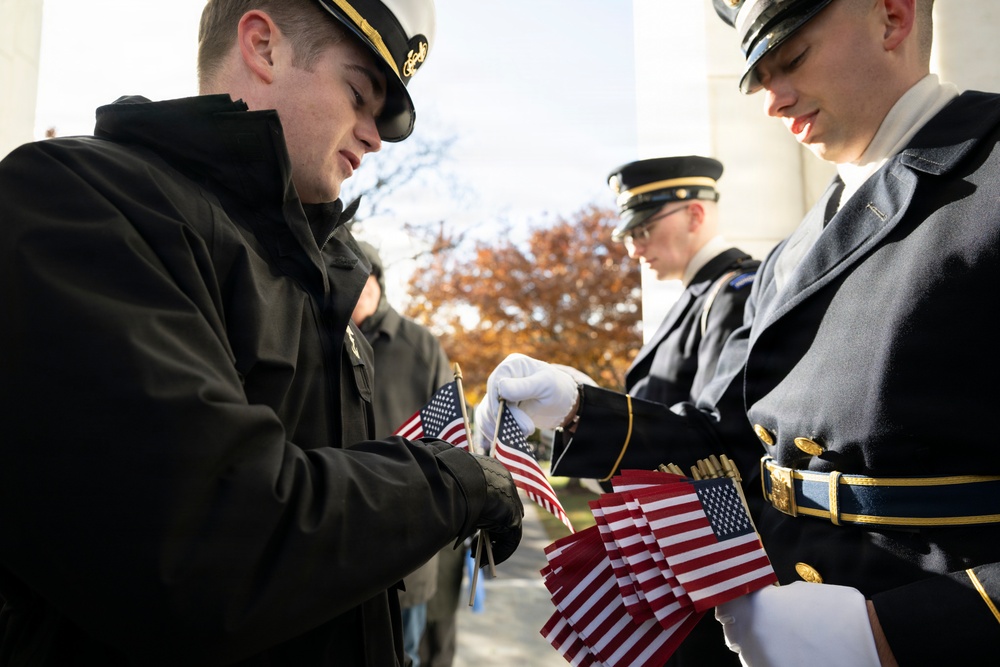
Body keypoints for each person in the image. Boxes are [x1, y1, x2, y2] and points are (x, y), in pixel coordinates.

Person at [0, 1, 524, 664]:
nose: (375, 136)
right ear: (263, 46)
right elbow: (208, 545)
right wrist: (456, 483)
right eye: (359, 94)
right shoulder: (77, 200)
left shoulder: (323, 269)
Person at [477, 0, 1000, 664]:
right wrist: (579, 409)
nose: (772, 103)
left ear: (892, 18)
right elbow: (724, 435)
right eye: (759, 77)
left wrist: (909, 631)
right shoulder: (795, 249)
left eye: (793, 59)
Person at [350, 241, 460, 667]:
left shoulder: (420, 346)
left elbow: (451, 444)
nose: (356, 286)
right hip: (337, 541)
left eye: (365, 277)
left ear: (378, 281)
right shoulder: (319, 336)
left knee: (404, 655)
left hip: (406, 546)